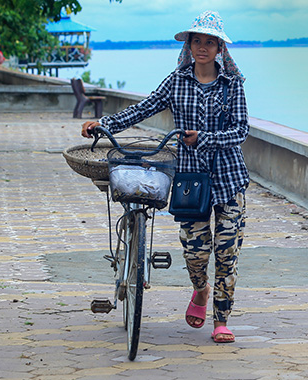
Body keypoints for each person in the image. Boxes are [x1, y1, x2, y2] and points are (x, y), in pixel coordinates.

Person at [81, 10, 248, 344]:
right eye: (197, 40)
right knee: (195, 253)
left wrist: (204, 138)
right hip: (189, 180)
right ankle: (200, 291)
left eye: (209, 42)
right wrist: (105, 124)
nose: (202, 47)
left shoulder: (233, 85)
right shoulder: (176, 81)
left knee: (227, 252)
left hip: (229, 179)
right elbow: (143, 108)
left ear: (219, 49)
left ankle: (221, 320)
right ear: (188, 45)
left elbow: (241, 131)